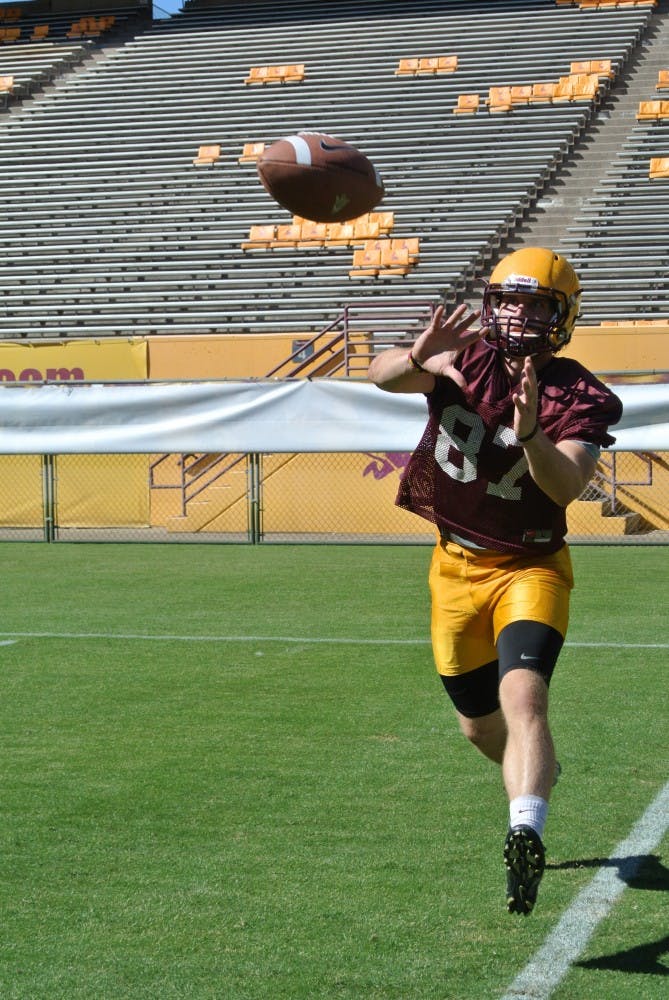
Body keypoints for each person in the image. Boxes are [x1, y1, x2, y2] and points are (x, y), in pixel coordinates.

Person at [367, 247, 623, 916]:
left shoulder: (580, 392)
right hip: (453, 566)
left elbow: (564, 485)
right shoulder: (465, 354)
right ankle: (534, 780)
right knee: (480, 730)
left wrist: (531, 429)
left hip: (530, 564)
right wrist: (421, 359)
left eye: (534, 303)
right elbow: (381, 375)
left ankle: (524, 829)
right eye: (507, 300)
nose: (515, 314)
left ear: (560, 316)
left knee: (524, 700)